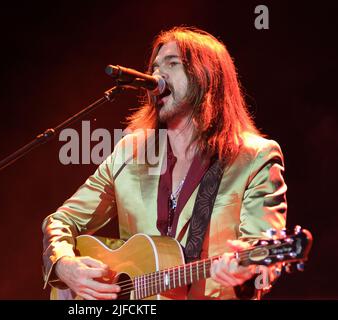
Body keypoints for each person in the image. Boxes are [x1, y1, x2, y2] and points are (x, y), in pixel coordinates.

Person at [41, 26, 287, 300]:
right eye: (155, 67)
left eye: (172, 64)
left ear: (207, 77)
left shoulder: (254, 158)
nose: (156, 75)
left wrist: (249, 267)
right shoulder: (129, 153)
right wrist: (63, 264)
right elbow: (62, 220)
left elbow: (261, 247)